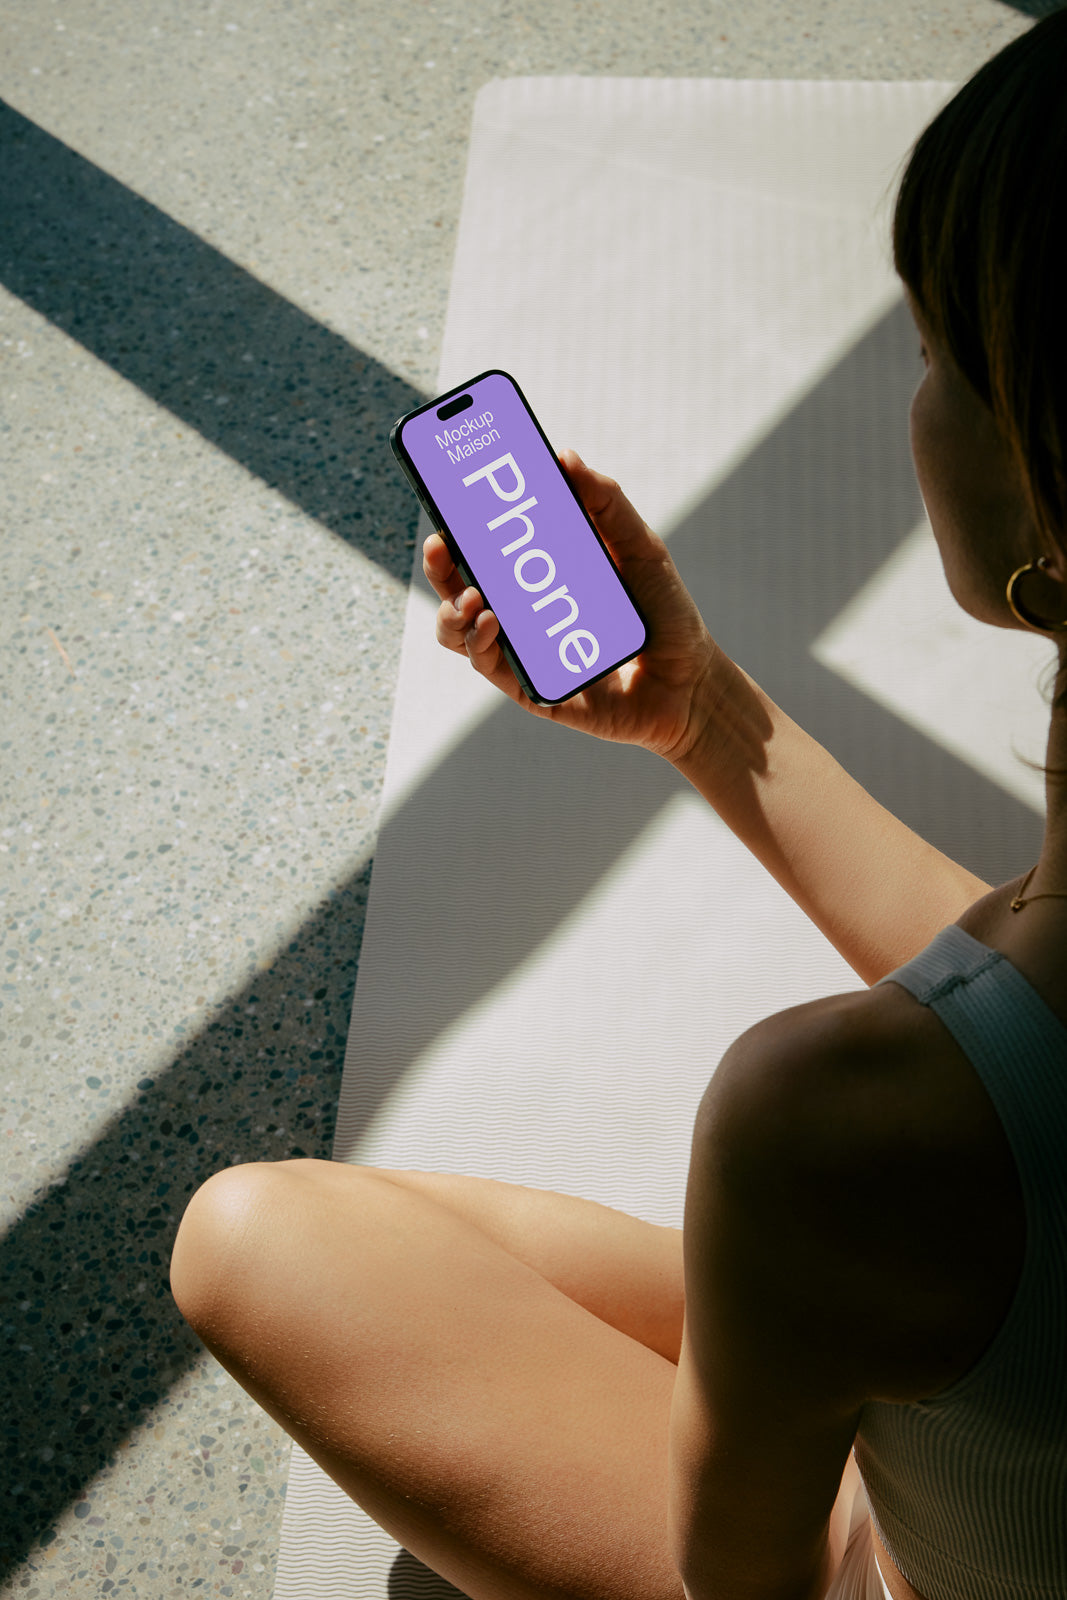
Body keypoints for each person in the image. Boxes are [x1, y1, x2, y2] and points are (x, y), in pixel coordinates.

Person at [170, 16, 1067, 1600]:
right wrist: (702, 708)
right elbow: (1028, 1015)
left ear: (1049, 501)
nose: (910, 393)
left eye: (934, 352)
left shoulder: (835, 1132)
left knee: (249, 1239)